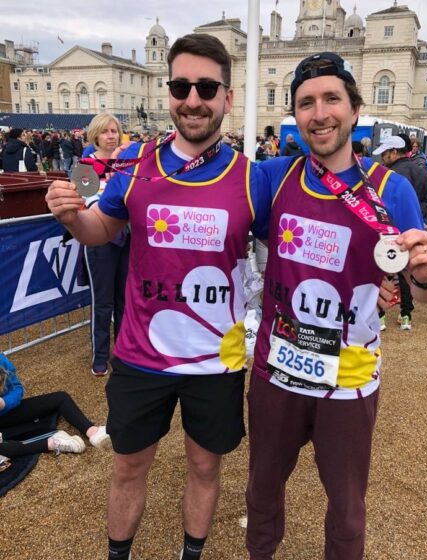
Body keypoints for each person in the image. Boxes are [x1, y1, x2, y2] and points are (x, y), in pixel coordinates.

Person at [45, 33, 268, 560]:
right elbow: (101, 229)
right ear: (169, 91)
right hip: (142, 355)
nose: (193, 99)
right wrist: (73, 214)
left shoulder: (252, 178)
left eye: (207, 87)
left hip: (215, 361)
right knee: (128, 465)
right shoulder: (136, 163)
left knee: (205, 465)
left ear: (227, 98)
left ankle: (192, 553)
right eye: (182, 85)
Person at [245, 51, 427, 560]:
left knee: (348, 506)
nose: (320, 112)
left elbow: (426, 294)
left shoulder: (390, 190)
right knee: (262, 490)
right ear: (296, 115)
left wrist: (426, 271)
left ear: (354, 110)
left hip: (348, 377)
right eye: (306, 102)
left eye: (332, 98)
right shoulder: (275, 178)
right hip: (278, 370)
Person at [82, 113, 131, 377]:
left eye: (115, 131)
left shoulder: (128, 164)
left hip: (127, 237)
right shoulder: (83, 166)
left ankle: (122, 354)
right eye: (105, 131)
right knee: (102, 303)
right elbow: (89, 203)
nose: (111, 136)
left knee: (124, 300)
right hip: (100, 241)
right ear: (96, 135)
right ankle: (99, 358)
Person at [372, 134, 427, 330]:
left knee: (380, 272)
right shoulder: (422, 170)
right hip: (413, 230)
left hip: (388, 232)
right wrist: (415, 217)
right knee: (407, 273)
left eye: (385, 153)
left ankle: (379, 316)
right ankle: (406, 315)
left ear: (394, 152)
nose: (382, 158)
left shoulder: (388, 177)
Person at [0, 353, 110, 459]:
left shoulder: (1, 360)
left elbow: (17, 388)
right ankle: (53, 443)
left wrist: (4, 402)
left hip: (7, 412)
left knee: (60, 398)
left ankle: (92, 431)